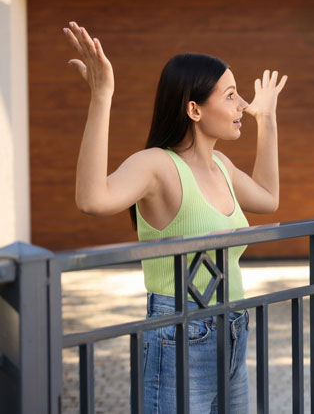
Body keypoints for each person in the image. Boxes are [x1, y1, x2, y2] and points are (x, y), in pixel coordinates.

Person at [64, 21, 286, 413]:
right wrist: (102, 96)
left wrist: (266, 121)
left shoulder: (222, 165)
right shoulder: (156, 165)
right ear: (194, 108)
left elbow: (268, 198)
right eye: (232, 96)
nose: (242, 106)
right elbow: (92, 199)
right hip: (180, 332)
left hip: (232, 327)